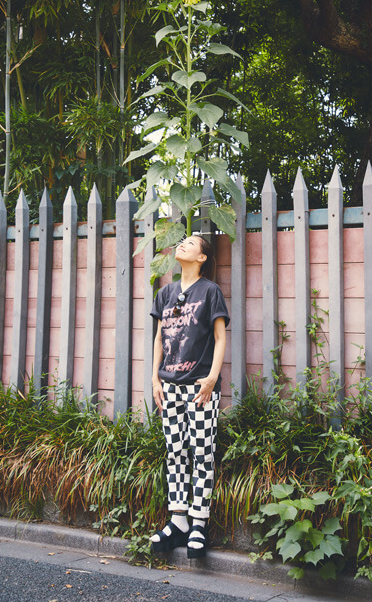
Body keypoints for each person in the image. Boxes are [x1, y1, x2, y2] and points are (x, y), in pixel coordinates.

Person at [149, 234, 229, 558]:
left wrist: (211, 378)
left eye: (191, 243)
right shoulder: (165, 293)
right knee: (175, 452)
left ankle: (199, 523)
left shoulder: (210, 291)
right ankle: (178, 520)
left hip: (200, 388)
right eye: (182, 241)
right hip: (168, 386)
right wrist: (154, 378)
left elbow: (220, 338)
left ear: (202, 258)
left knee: (202, 452)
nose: (182, 244)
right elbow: (159, 338)